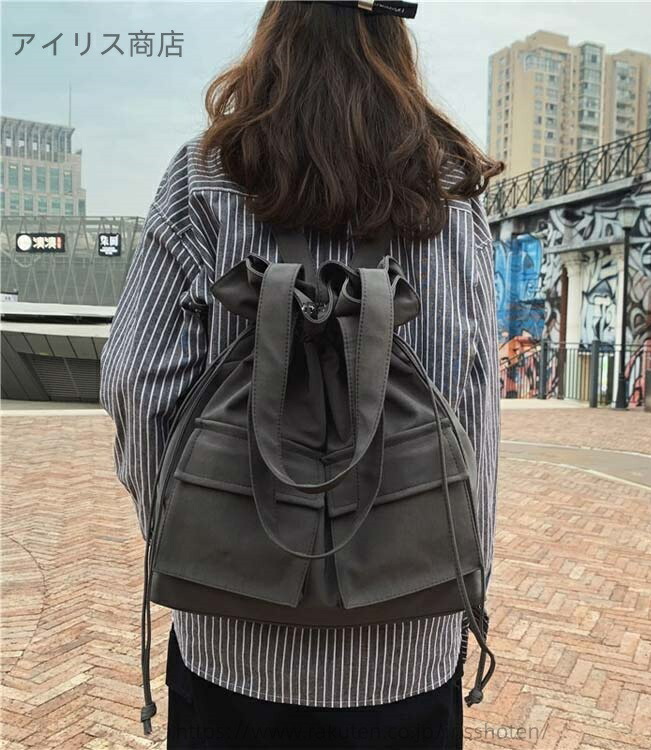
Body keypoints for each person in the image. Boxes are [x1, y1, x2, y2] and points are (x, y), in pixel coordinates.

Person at [100, 1, 501, 747]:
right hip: (407, 647)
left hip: (231, 648)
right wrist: (465, 580)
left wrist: (197, 536)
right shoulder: (451, 189)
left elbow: (136, 382)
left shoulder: (205, 175)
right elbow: (472, 408)